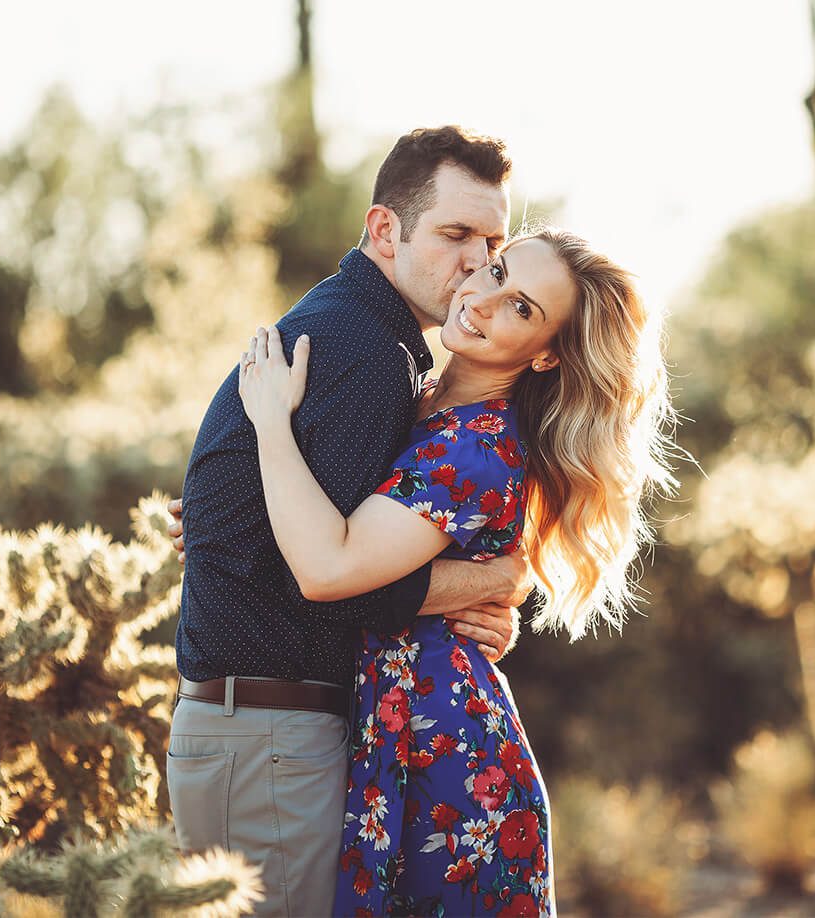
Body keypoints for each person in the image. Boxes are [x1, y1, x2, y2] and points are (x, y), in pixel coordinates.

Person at [238, 225, 675, 915]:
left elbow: (330, 567)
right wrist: (229, 520)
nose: (484, 300)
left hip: (454, 778)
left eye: (523, 309)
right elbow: (329, 520)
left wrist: (269, 425)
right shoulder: (416, 401)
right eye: (498, 272)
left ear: (545, 357)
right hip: (391, 740)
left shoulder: (476, 446)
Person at [168, 126, 542, 917]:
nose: (476, 262)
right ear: (383, 230)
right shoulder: (366, 353)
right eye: (454, 235)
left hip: (263, 731)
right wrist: (494, 581)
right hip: (267, 734)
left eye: (491, 241)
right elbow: (336, 579)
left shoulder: (367, 336)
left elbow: (297, 532)